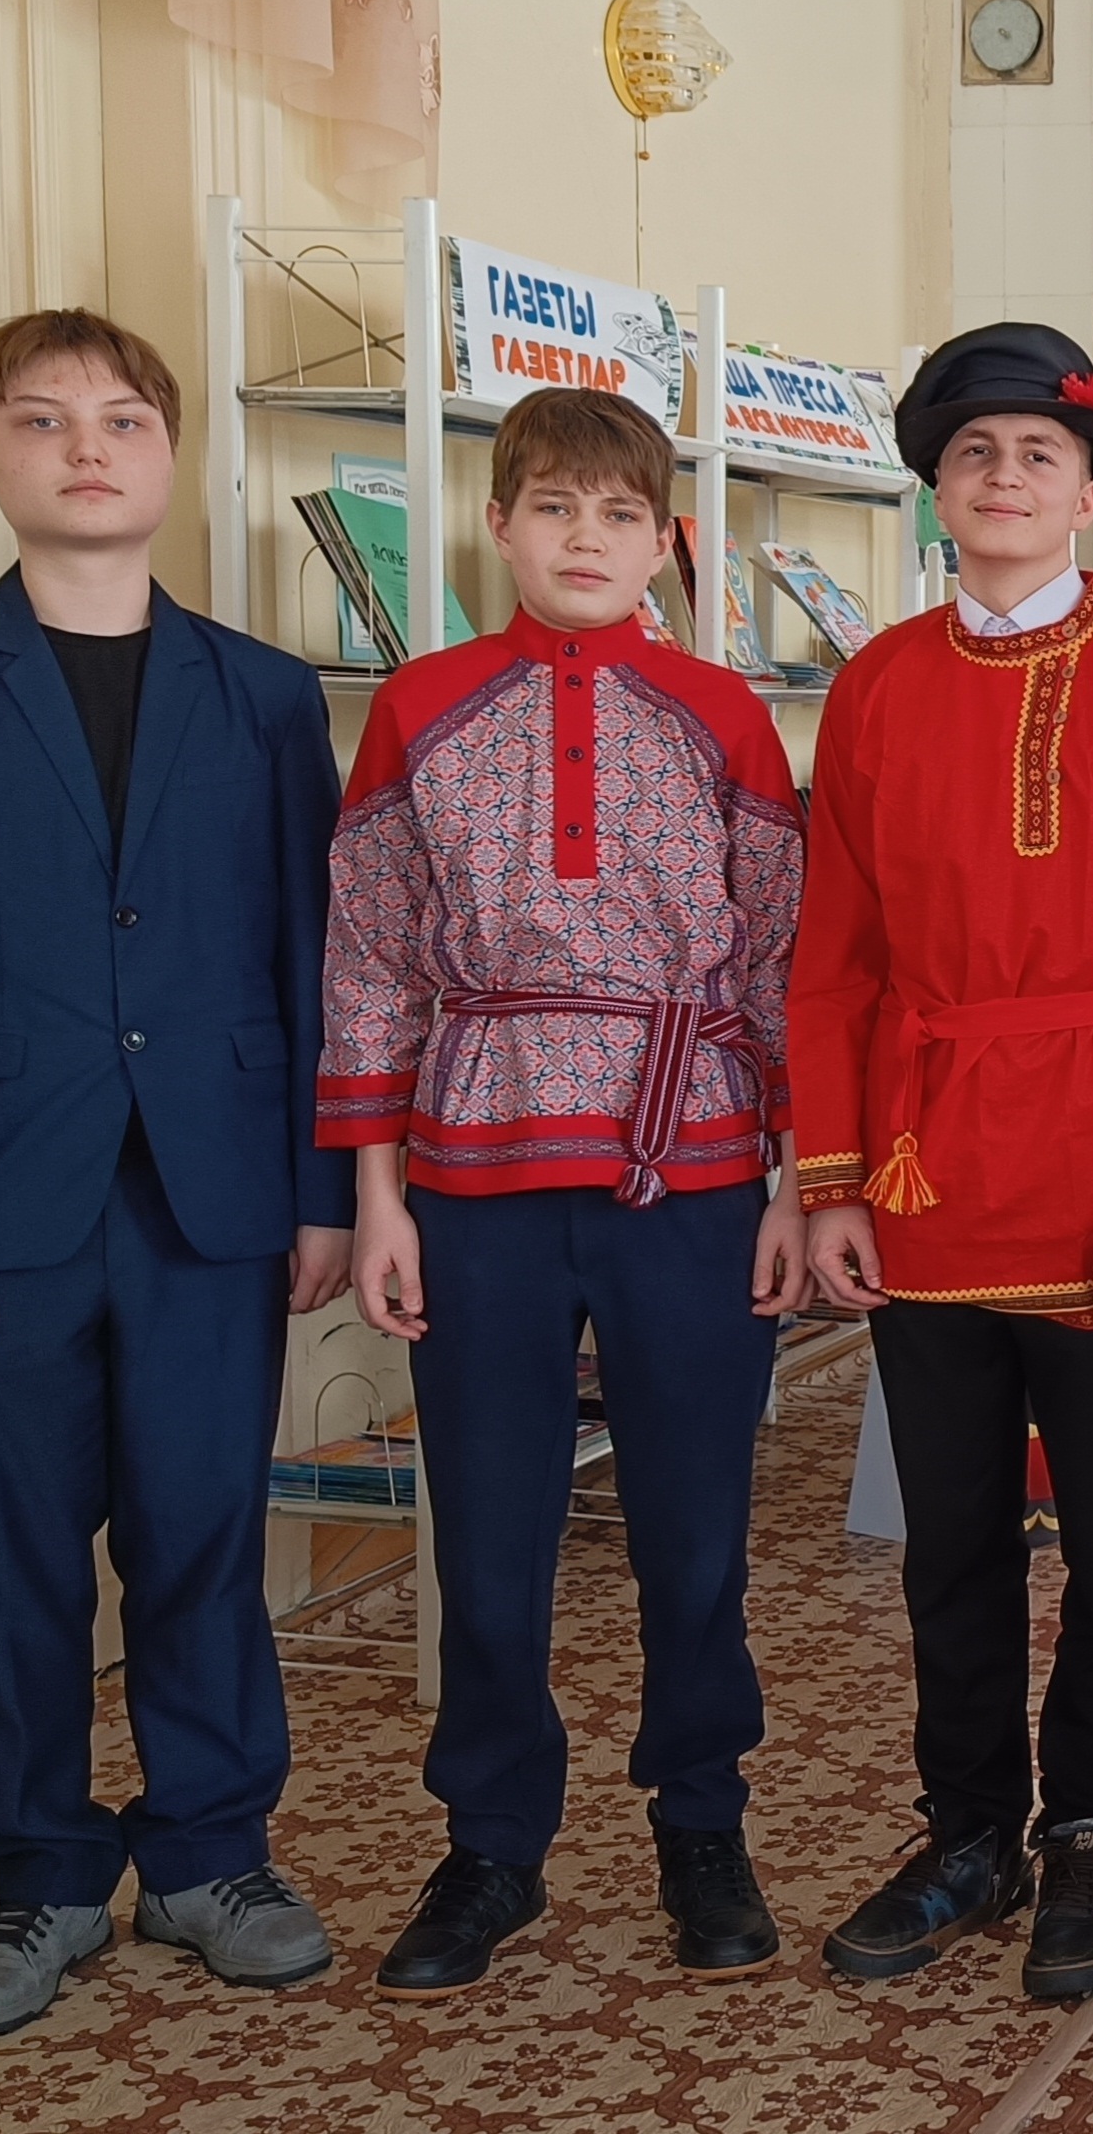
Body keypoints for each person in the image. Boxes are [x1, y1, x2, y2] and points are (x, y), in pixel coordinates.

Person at [0, 308, 353, 2037]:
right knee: (15, 1561)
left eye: (120, 419)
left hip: (213, 1203)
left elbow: (313, 963)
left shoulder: (265, 696)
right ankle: (37, 1877)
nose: (86, 447)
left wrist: (321, 1190)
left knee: (203, 1542)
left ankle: (210, 1855)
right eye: (42, 421)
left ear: (170, 453)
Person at [793, 322, 1093, 2001]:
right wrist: (830, 1180)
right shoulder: (873, 688)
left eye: (1039, 454)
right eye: (975, 454)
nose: (1006, 480)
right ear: (936, 486)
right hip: (924, 1174)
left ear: (1087, 488)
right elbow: (833, 957)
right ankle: (971, 1833)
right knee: (952, 1541)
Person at [318, 386, 809, 1994]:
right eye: (553, 508)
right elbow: (370, 959)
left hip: (696, 1160)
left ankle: (702, 1820)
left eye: (618, 515)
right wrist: (377, 1197)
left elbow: (783, 958)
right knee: (489, 1524)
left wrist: (796, 1183)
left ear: (664, 542)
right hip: (477, 1159)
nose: (584, 540)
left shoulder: (724, 713)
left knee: (693, 1521)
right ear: (498, 525)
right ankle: (491, 1843)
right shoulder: (422, 707)